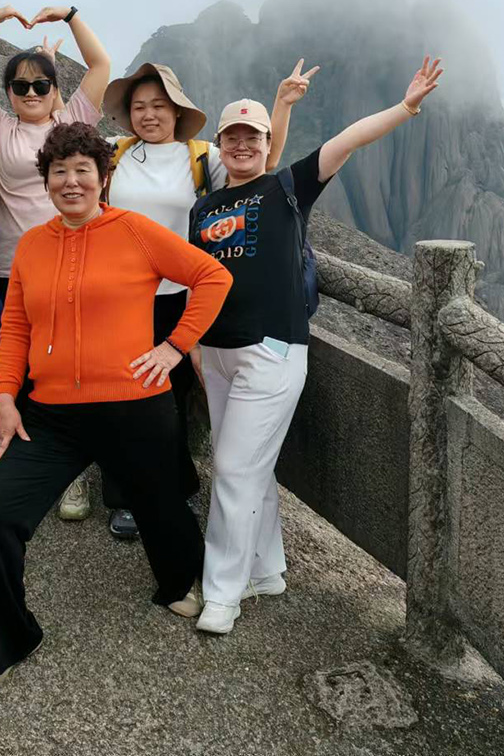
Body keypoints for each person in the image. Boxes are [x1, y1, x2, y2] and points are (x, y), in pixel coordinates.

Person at [0, 123, 233, 691]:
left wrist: (174, 347)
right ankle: (12, 637)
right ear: (46, 181)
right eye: (58, 171)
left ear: (103, 179)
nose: (71, 182)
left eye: (82, 170)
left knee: (161, 505)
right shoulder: (32, 245)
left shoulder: (134, 230)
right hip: (51, 414)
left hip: (134, 404)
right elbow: (15, 327)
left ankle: (175, 583)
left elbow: (212, 276)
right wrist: (5, 396)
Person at [188, 56, 444, 635]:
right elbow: (200, 279)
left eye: (252, 137)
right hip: (218, 353)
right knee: (249, 467)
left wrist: (405, 107)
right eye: (232, 137)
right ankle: (266, 570)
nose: (241, 146)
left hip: (271, 350)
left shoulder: (287, 188)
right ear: (219, 146)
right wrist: (197, 346)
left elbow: (348, 139)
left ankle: (222, 592)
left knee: (232, 468)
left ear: (266, 143)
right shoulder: (204, 208)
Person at [96, 59, 318, 538]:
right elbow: (61, 156)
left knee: (172, 400)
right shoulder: (112, 154)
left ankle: (174, 488)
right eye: (139, 106)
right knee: (121, 398)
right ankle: (124, 496)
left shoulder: (203, 157)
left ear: (177, 111)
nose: (149, 114)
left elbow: (264, 165)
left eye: (159, 105)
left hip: (180, 297)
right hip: (121, 298)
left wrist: (282, 105)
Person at [0, 4, 111, 521]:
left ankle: (73, 472)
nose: (30, 93)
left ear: (53, 89)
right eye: (20, 86)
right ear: (7, 93)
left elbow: (100, 67)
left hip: (73, 266)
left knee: (70, 366)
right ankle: (21, 459)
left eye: (40, 84)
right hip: (11, 268)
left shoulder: (71, 122)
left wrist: (71, 16)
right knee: (16, 368)